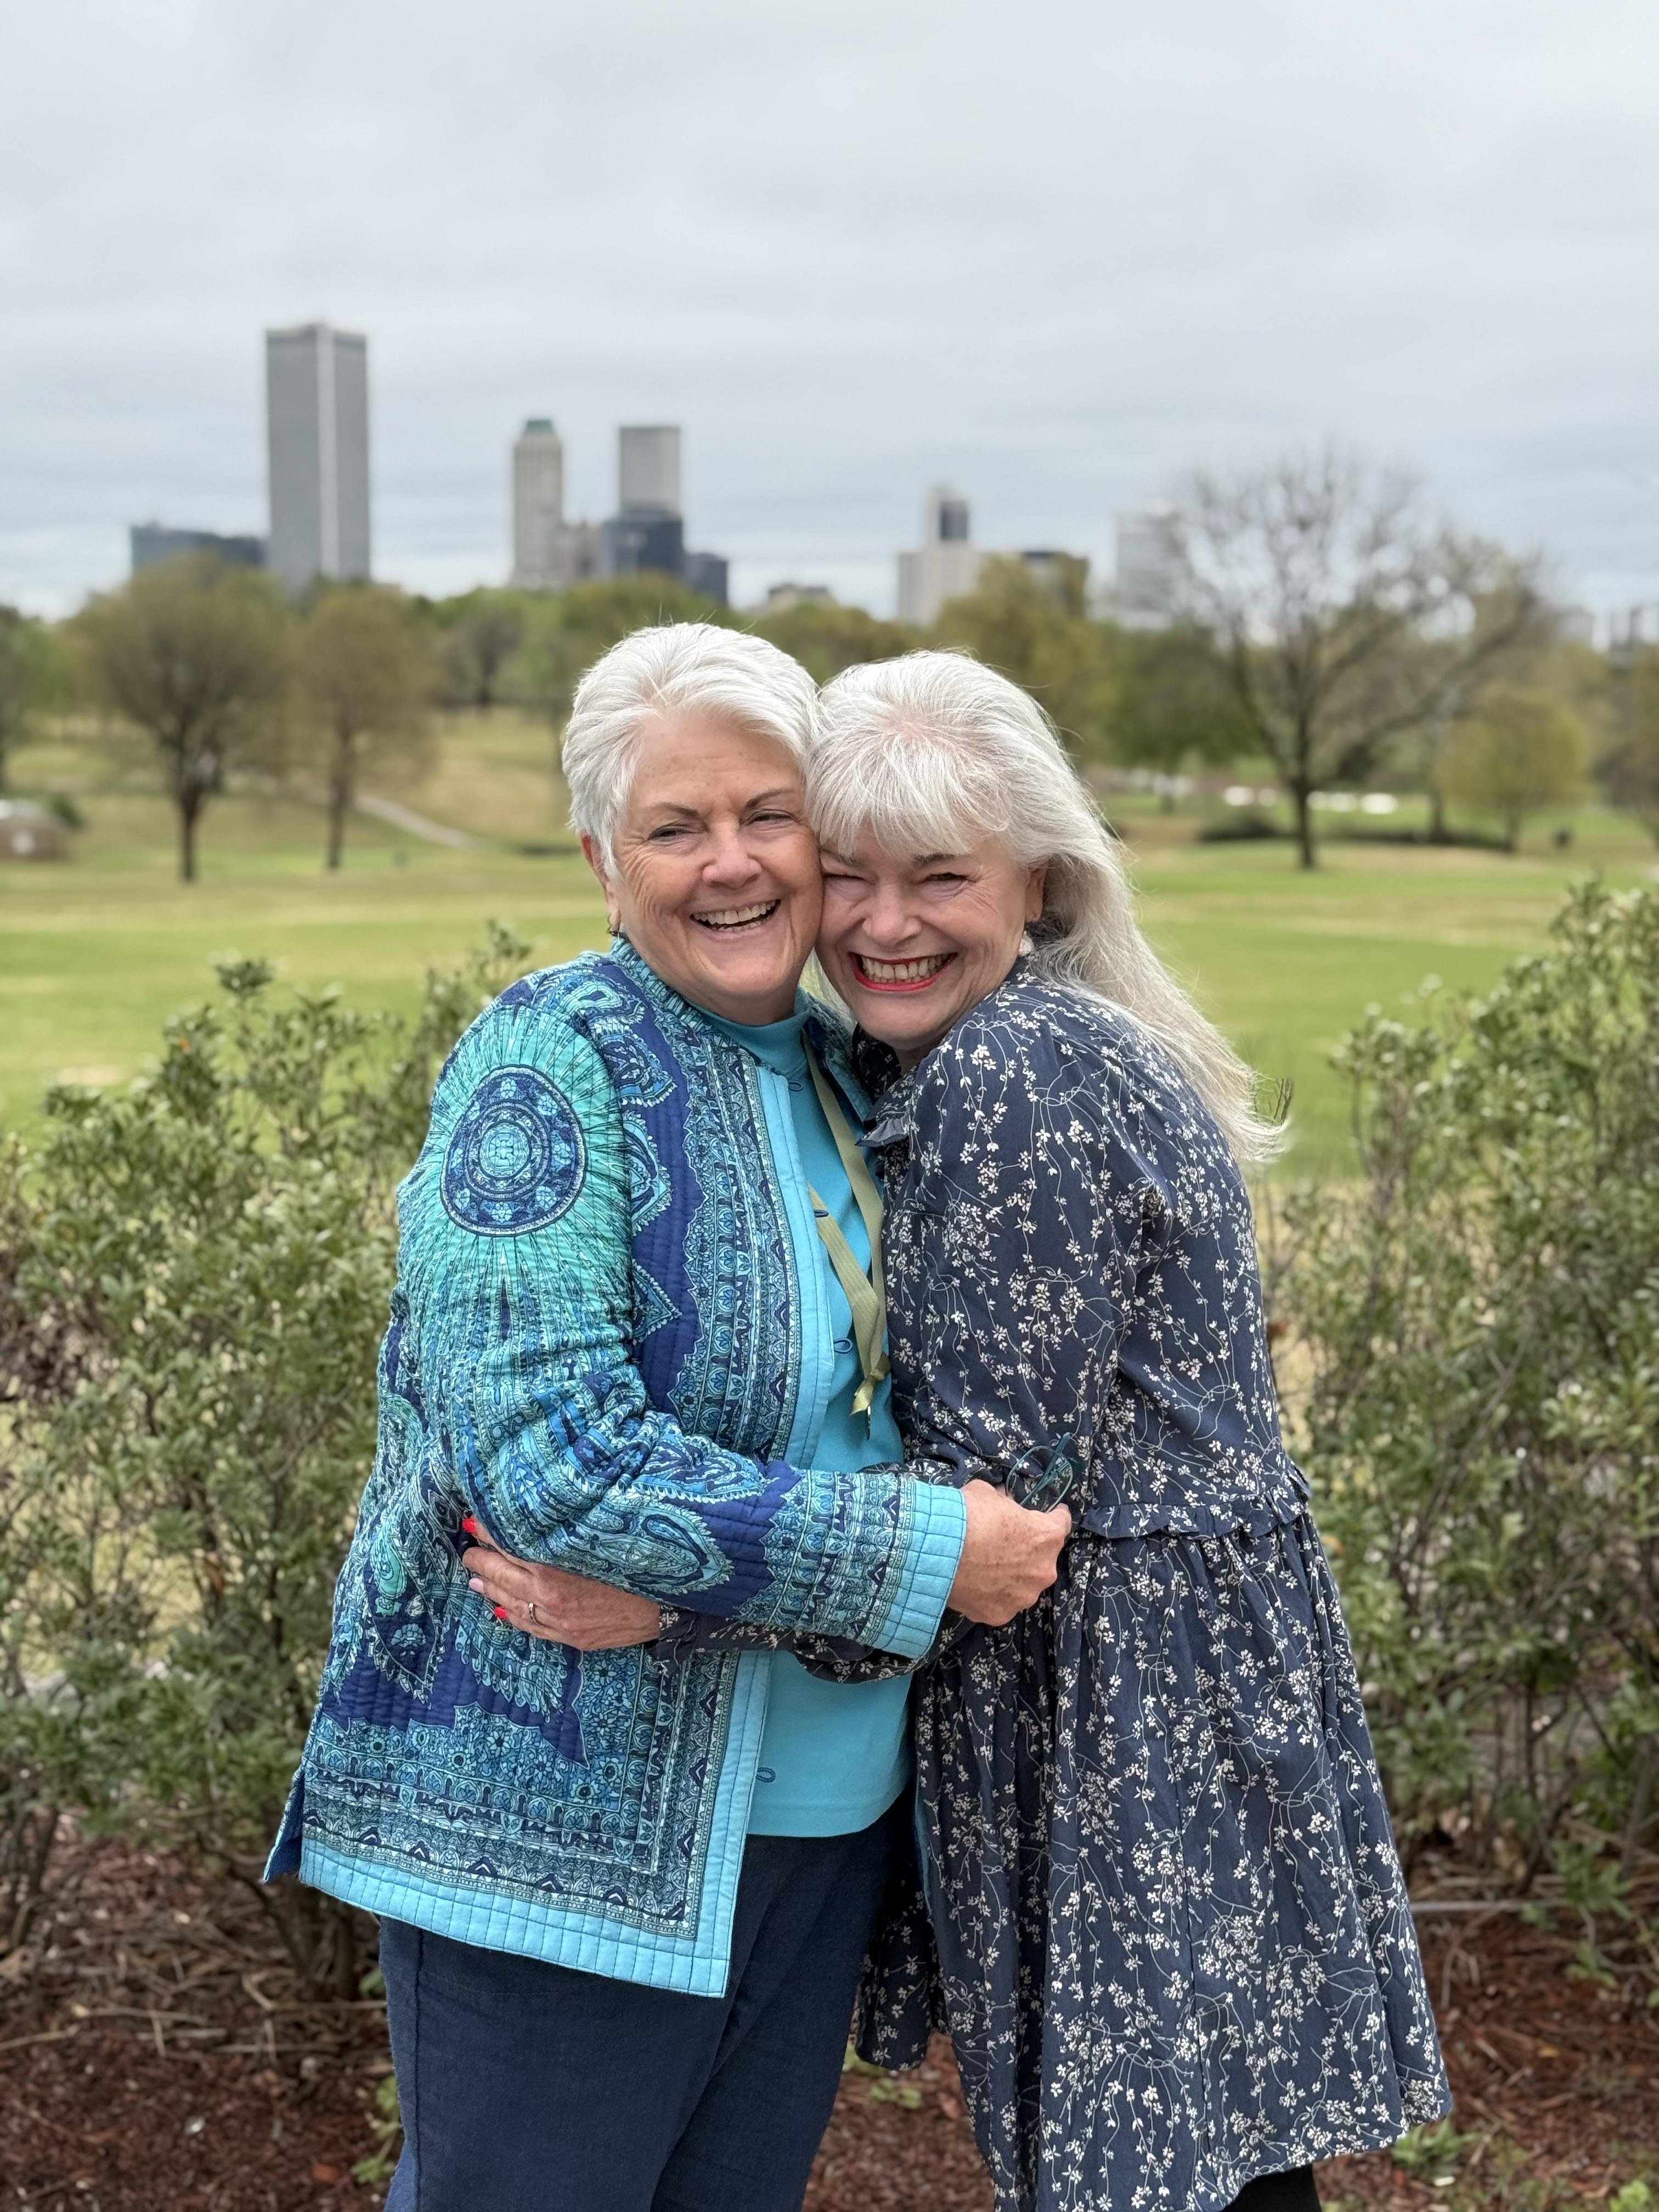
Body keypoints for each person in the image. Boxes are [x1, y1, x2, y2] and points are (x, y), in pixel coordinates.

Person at [480, 651, 1452, 2212]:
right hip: (1153, 1674)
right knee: (1209, 2164)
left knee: (1155, 2175)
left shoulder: (1015, 1073)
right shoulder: (943, 1054)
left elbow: (985, 1516)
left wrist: (681, 1603)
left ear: (1041, 884)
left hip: (1117, 1694)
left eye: (939, 877)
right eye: (849, 874)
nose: (880, 923)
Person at [264, 624, 1066, 2212]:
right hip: (554, 1822)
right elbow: (554, 1466)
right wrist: (924, 1553)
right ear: (599, 858)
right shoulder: (545, 1063)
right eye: (674, 828)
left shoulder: (864, 1060)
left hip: (828, 1810)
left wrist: (718, 1602)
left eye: (768, 816)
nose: (733, 866)